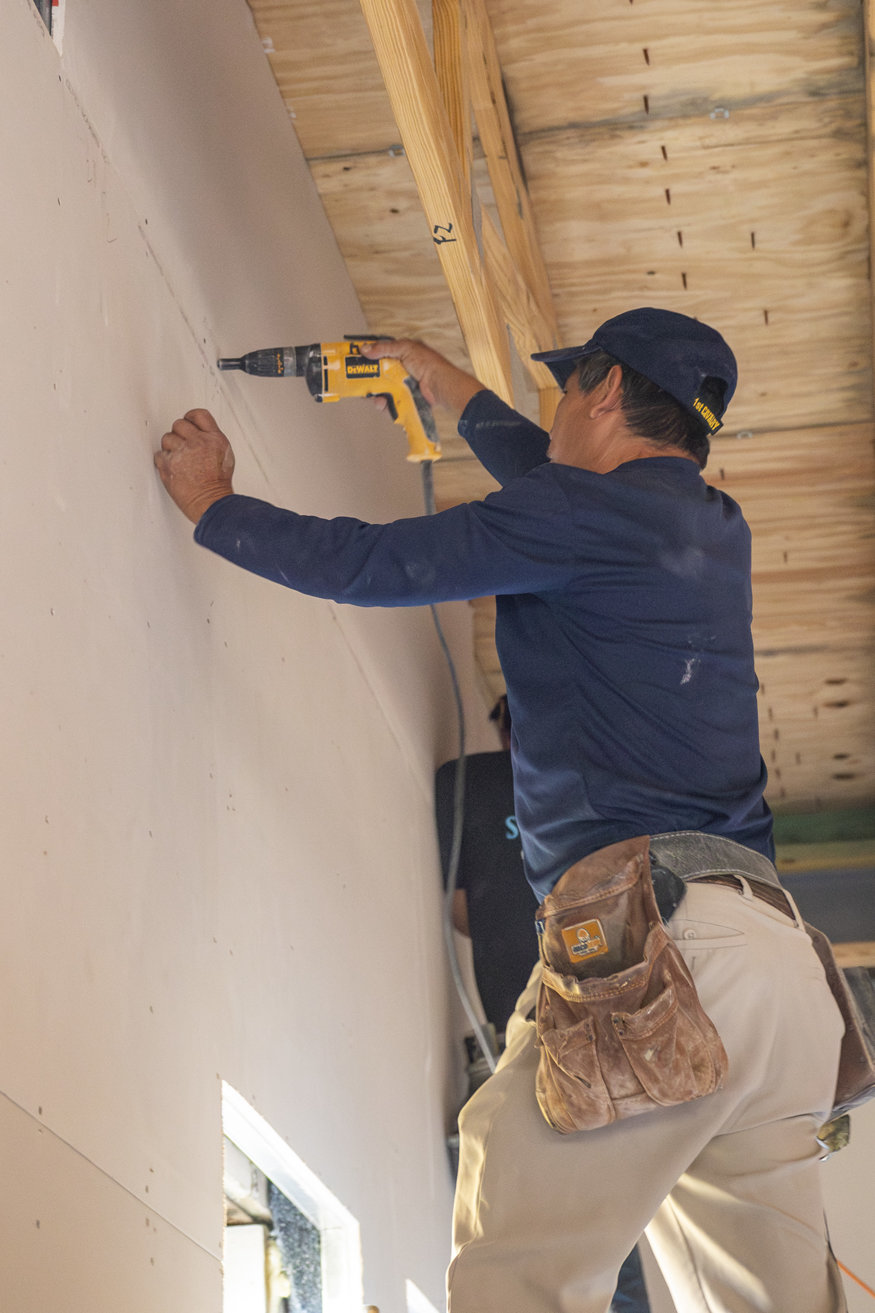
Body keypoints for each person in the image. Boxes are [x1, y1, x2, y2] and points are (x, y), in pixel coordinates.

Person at [155, 307, 846, 1312]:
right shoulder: (711, 526)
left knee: (514, 1260)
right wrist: (447, 384)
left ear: (603, 389)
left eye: (565, 389)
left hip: (664, 946)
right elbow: (556, 485)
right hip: (781, 977)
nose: (554, 412)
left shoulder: (577, 518)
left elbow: (373, 562)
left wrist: (214, 505)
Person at [436, 696, 653, 1313]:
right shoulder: (599, 784)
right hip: (611, 1015)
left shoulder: (466, 782)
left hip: (527, 1017)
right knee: (604, 1201)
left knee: (535, 1181)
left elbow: (461, 910)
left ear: (501, 724)